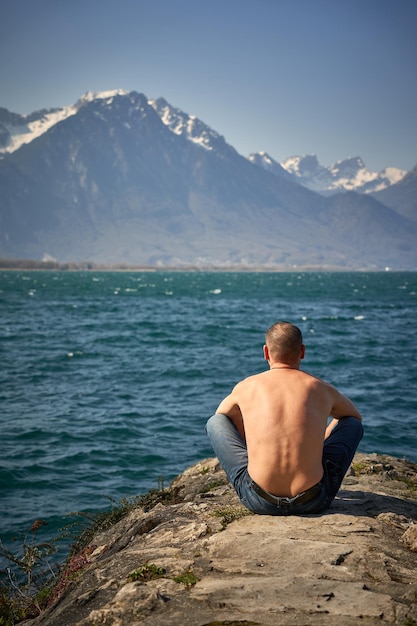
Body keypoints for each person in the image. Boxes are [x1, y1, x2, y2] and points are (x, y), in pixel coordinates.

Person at [206, 321, 363, 515]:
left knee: (215, 423)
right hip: (313, 500)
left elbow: (221, 416)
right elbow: (353, 417)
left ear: (266, 352)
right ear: (302, 351)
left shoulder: (247, 386)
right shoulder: (321, 388)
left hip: (259, 500)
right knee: (353, 425)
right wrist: (319, 443)